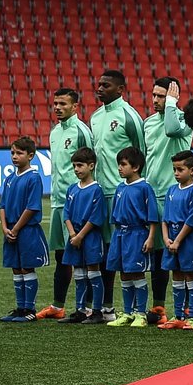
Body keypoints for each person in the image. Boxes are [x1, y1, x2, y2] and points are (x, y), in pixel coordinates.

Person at [86, 68, 143, 323]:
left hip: (121, 193)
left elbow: (141, 154)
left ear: (120, 89)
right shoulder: (95, 117)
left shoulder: (129, 116)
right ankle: (100, 307)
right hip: (99, 191)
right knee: (100, 251)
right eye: (99, 84)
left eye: (105, 85)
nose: (99, 88)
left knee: (116, 250)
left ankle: (123, 308)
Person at [38, 87, 94, 320]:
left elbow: (91, 163)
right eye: (56, 103)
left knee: (82, 256)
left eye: (63, 104)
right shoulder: (54, 132)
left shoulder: (82, 131)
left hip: (78, 202)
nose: (58, 108)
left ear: (75, 107)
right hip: (58, 201)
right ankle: (57, 305)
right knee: (62, 256)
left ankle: (86, 307)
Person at [140, 77, 190, 323]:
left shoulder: (182, 120)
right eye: (155, 95)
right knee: (157, 254)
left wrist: (172, 103)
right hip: (153, 194)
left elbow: (171, 130)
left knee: (181, 252)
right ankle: (159, 306)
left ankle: (188, 309)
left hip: (177, 195)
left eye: (162, 96)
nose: (156, 100)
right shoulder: (147, 123)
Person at [105, 147, 158, 327]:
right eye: (119, 164)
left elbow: (152, 216)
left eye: (123, 164)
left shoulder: (144, 188)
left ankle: (141, 313)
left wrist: (150, 237)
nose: (119, 168)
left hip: (137, 234)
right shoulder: (120, 187)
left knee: (136, 272)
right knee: (124, 272)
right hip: (120, 234)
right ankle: (127, 312)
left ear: (135, 167)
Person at [0, 135, 46, 322]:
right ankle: (20, 308)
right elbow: (2, 205)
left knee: (27, 268)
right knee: (16, 269)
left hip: (26, 231)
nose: (15, 156)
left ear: (31, 155)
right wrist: (4, 228)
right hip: (10, 230)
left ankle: (30, 310)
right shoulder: (10, 178)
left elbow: (32, 207)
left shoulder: (34, 178)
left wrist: (16, 229)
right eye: (12, 153)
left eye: (19, 153)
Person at [160, 151, 193, 327]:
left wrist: (178, 240)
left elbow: (191, 219)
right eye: (174, 169)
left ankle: (192, 316)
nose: (176, 173)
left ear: (192, 170)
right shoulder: (171, 190)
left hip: (188, 240)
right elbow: (165, 218)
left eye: (180, 169)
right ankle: (178, 316)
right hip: (171, 238)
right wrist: (166, 238)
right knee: (177, 275)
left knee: (190, 274)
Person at [61, 147, 107, 324]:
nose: (76, 169)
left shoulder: (96, 190)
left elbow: (96, 217)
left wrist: (80, 236)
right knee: (79, 274)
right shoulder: (72, 189)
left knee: (94, 272)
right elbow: (66, 213)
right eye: (74, 166)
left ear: (91, 166)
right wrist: (73, 233)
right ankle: (80, 310)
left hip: (90, 237)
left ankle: (97, 311)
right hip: (74, 237)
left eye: (80, 165)